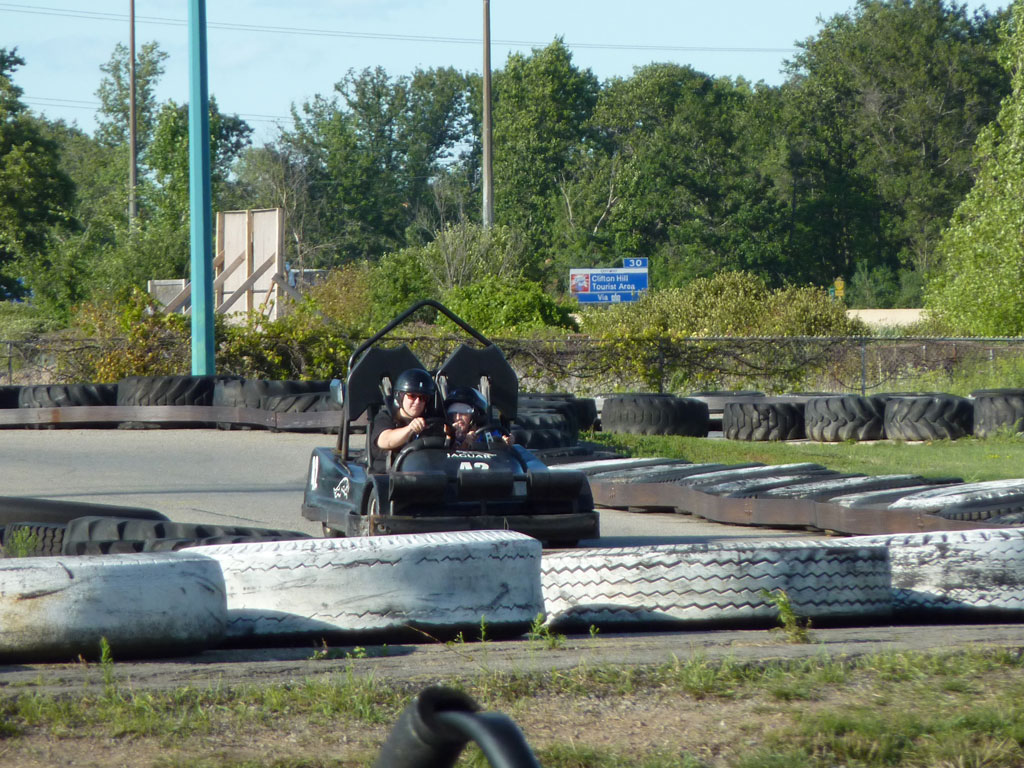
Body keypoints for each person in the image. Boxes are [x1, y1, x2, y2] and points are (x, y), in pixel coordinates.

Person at [369, 367, 439, 472]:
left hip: (425, 476)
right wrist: (410, 429)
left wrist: (459, 440)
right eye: (412, 396)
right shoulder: (386, 417)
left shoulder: (432, 421)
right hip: (388, 478)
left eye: (423, 398)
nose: (417, 402)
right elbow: (384, 440)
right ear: (400, 396)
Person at [444, 387, 514, 451]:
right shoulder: (448, 435)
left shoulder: (488, 433)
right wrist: (453, 437)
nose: (458, 417)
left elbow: (499, 452)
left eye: (464, 412)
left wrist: (505, 443)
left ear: (476, 415)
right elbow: (446, 459)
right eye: (454, 412)